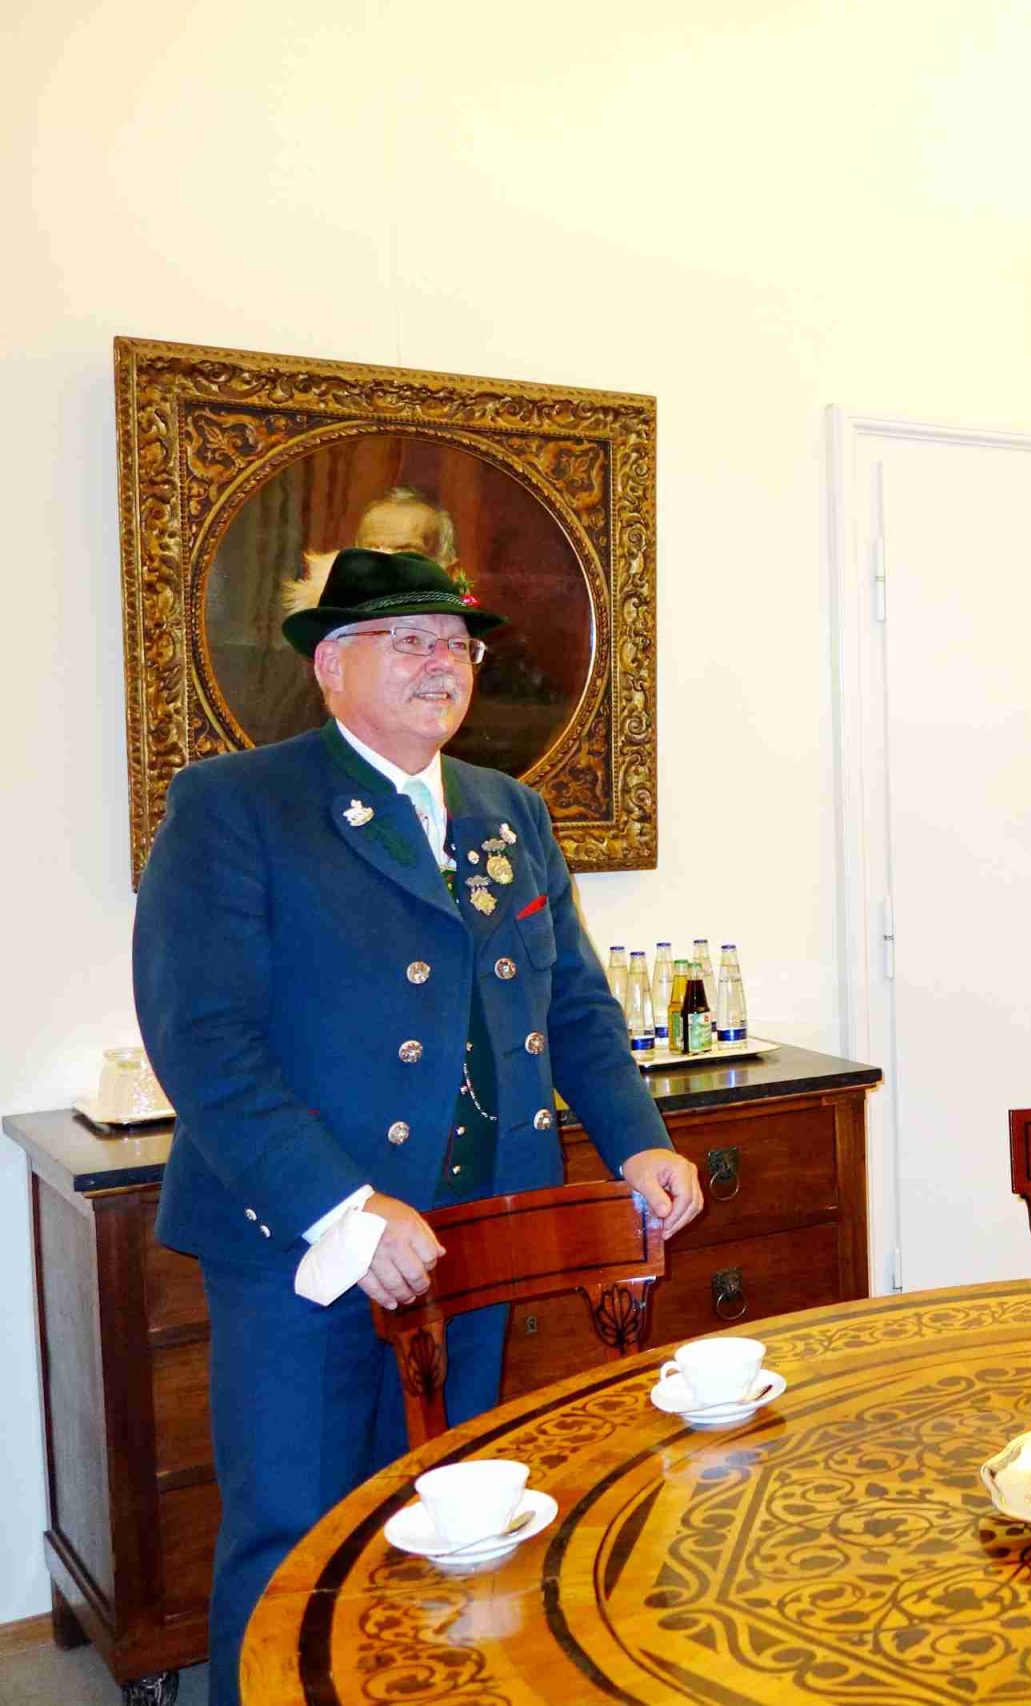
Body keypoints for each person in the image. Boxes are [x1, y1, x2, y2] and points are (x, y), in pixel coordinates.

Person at [133, 547, 704, 1706]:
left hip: (473, 1230)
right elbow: (203, 1038)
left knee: (448, 1512)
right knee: (295, 1529)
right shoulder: (238, 803)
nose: (441, 663)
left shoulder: (505, 809)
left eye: (457, 644)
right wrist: (345, 1208)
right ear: (330, 665)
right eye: (408, 640)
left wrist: (637, 1137)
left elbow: (573, 1002)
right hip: (304, 1233)